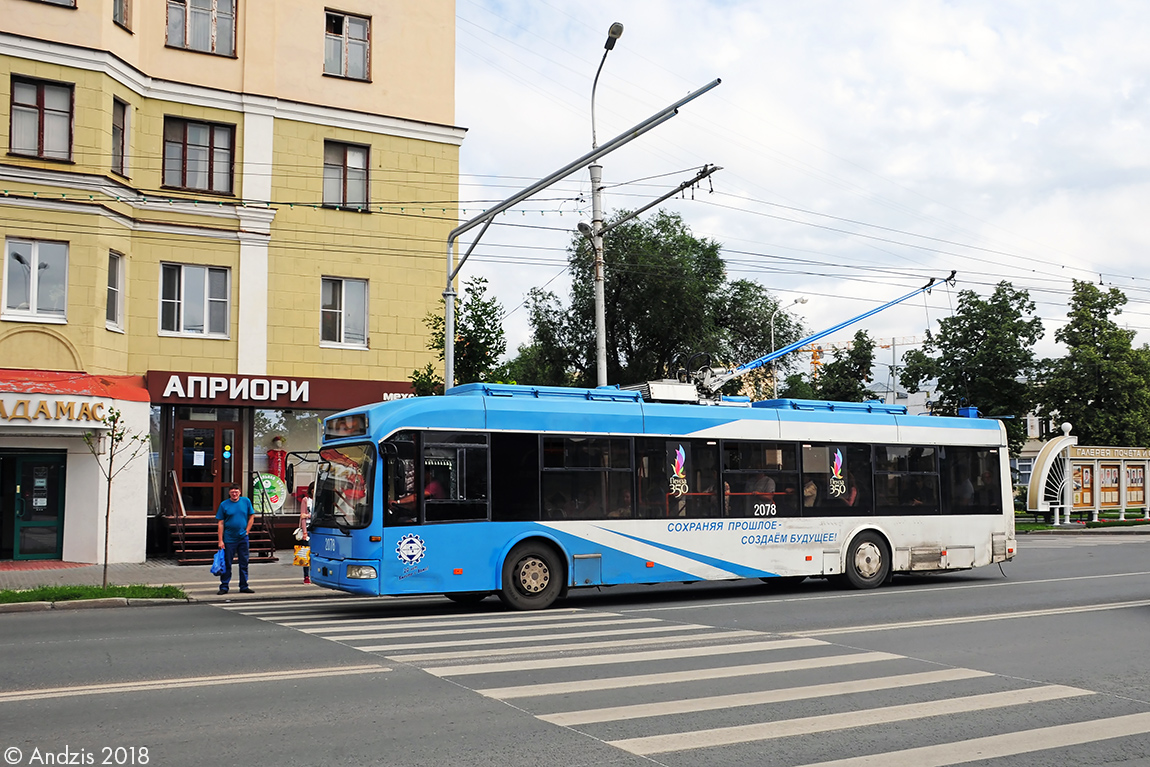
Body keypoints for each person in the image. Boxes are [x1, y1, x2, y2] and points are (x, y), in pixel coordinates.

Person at [216, 484, 256, 595]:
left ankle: (244, 585)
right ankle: (224, 586)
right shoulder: (224, 505)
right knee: (227, 563)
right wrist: (220, 540)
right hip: (229, 539)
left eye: (236, 492)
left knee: (244, 563)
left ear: (240, 492)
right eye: (232, 492)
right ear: (229, 493)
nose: (234, 494)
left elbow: (251, 516)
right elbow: (220, 523)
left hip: (243, 537)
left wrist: (247, 531)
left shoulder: (246, 501)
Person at [298, 482, 313, 584]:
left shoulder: (320, 500)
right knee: (305, 553)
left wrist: (308, 516)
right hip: (308, 528)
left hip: (317, 528)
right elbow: (302, 516)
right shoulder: (306, 500)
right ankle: (306, 576)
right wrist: (304, 532)